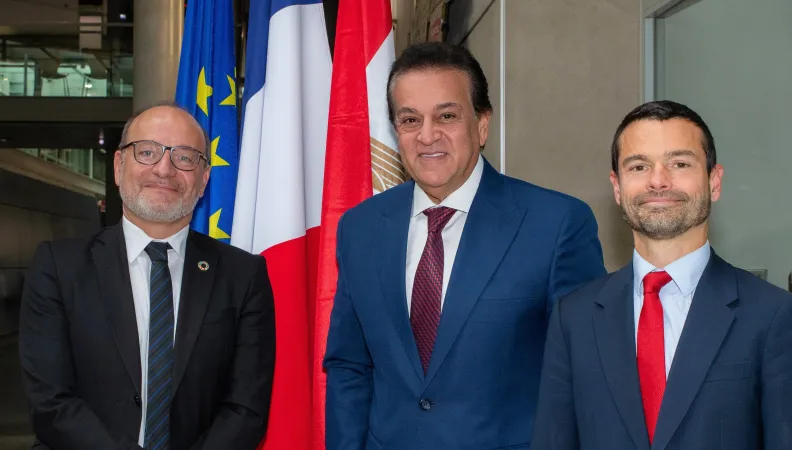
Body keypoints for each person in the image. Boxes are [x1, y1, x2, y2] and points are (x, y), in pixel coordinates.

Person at [323, 42, 606, 450]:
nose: (426, 135)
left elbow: (584, 376)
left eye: (447, 116)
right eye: (409, 119)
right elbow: (350, 364)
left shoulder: (557, 225)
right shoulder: (360, 228)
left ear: (482, 125)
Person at [532, 100, 792, 450]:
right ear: (618, 188)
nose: (658, 181)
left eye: (680, 163)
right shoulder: (574, 319)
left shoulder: (773, 315)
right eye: (639, 166)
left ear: (714, 182)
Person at [19, 103, 276, 450]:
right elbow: (51, 403)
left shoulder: (244, 276)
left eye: (184, 157)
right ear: (118, 166)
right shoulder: (58, 267)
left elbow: (246, 408)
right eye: (147, 152)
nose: (164, 169)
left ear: (203, 180)